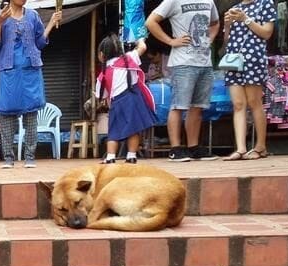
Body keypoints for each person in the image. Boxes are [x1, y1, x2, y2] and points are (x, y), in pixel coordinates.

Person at [0, 0, 62, 169]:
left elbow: (39, 43)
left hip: (30, 71)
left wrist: (51, 23)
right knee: (7, 115)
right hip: (9, 72)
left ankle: (30, 157)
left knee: (31, 115)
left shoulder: (33, 16)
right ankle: (8, 158)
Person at [146, 0, 221, 162]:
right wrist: (171, 41)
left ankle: (194, 147)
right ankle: (176, 148)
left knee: (197, 106)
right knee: (178, 105)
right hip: (182, 62)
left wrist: (210, 38)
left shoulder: (208, 1)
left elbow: (215, 23)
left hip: (204, 62)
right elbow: (151, 22)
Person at [220, 0, 276, 161]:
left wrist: (245, 19)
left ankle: (260, 146)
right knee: (238, 104)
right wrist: (228, 25)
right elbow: (227, 41)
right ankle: (241, 148)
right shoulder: (235, 8)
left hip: (254, 58)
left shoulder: (265, 3)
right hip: (233, 60)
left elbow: (267, 33)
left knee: (254, 102)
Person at [96, 35, 158, 164]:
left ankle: (110, 157)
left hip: (117, 102)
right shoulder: (129, 57)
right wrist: (140, 38)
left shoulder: (104, 73)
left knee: (113, 131)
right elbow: (143, 47)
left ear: (101, 55)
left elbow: (101, 95)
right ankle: (131, 156)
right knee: (133, 129)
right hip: (134, 100)